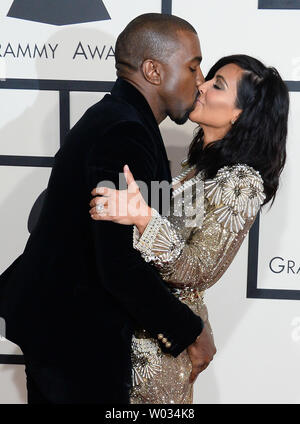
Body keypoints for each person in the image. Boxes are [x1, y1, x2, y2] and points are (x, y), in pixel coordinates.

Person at [0, 13, 216, 404]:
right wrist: (190, 331)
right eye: (193, 65)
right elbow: (117, 264)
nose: (199, 80)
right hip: (73, 338)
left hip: (68, 330)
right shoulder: (124, 133)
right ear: (153, 70)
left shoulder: (121, 120)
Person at [89, 54, 289, 403]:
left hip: (158, 357)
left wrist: (142, 217)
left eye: (217, 85)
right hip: (142, 334)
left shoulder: (242, 181)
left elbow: (198, 270)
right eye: (207, 77)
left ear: (239, 113)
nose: (201, 85)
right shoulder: (198, 167)